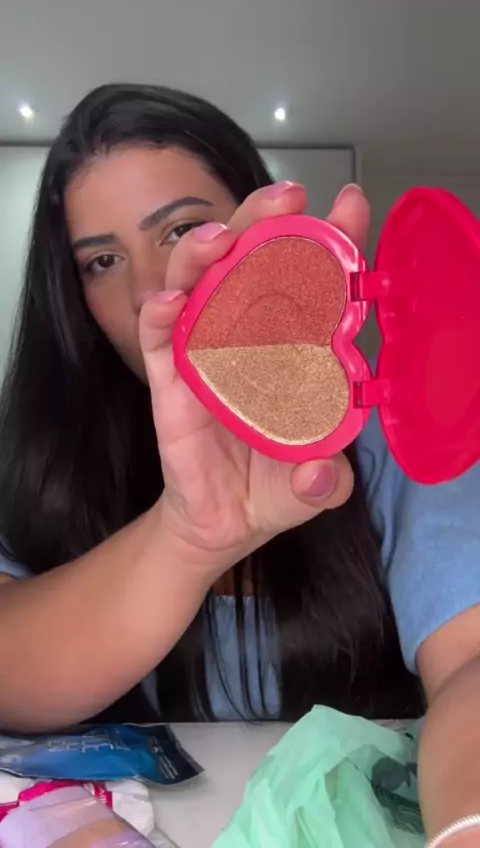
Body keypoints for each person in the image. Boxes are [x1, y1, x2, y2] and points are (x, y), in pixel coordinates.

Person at [0, 83, 479, 845]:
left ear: (266, 238)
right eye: (101, 260)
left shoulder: (396, 442)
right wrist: (188, 536)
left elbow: (474, 666)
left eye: (182, 229)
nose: (147, 291)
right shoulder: (33, 461)